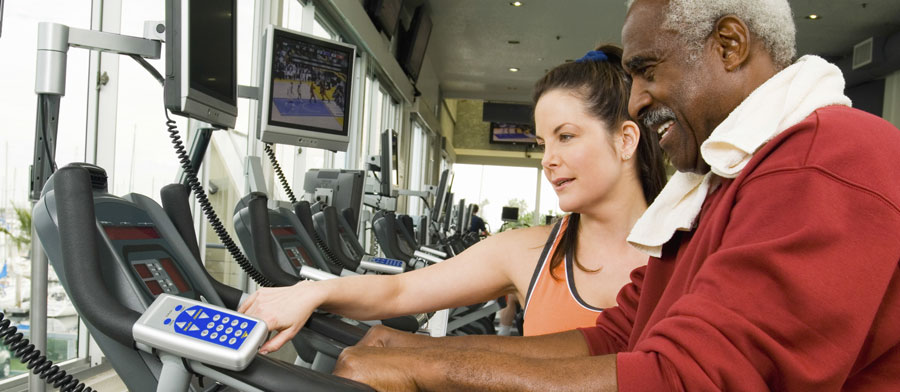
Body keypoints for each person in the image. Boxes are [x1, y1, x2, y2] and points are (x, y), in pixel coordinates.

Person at [327, 0, 900, 390]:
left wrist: (425, 371)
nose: (635, 101)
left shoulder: (827, 160)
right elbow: (616, 340)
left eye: (648, 71)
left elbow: (687, 380)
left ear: (728, 45)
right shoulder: (721, 184)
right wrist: (410, 355)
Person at [239, 44, 667, 353]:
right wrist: (311, 292)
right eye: (542, 144)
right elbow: (399, 292)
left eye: (566, 137)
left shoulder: (693, 252)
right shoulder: (528, 252)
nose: (548, 160)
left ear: (626, 140)